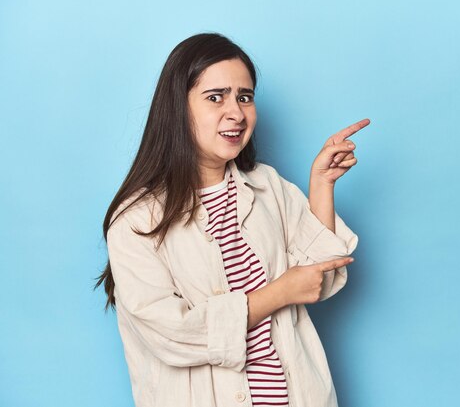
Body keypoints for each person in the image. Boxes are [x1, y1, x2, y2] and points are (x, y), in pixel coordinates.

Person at [96, 32, 369, 407]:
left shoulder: (267, 185)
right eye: (215, 97)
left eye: (245, 97)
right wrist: (278, 293)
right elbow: (173, 335)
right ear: (177, 107)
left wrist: (321, 185)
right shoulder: (136, 219)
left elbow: (316, 281)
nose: (236, 113)